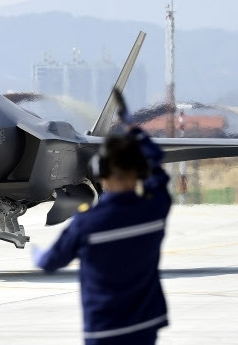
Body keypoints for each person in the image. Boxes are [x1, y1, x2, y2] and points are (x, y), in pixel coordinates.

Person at [33, 101, 172, 344]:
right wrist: (141, 138)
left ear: (101, 171)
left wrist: (36, 254)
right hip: (146, 324)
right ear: (138, 171)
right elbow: (159, 177)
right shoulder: (155, 208)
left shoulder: (86, 224)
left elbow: (51, 262)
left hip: (104, 329)